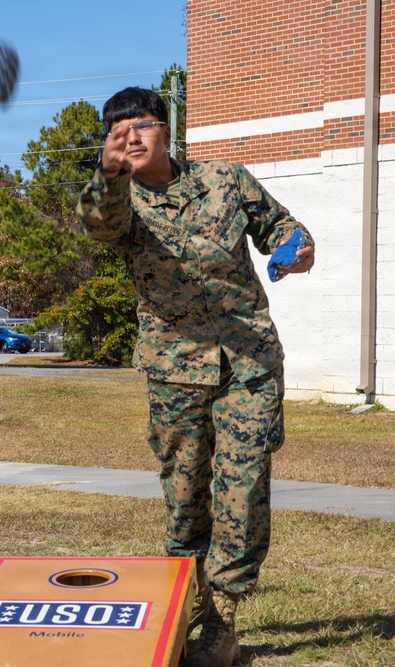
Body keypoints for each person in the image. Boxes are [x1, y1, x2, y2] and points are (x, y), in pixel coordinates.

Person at [76, 87, 314, 667]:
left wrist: (295, 247)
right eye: (118, 132)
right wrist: (107, 175)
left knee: (242, 486)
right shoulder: (119, 198)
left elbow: (284, 227)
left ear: (167, 129)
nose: (130, 138)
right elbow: (99, 226)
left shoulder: (227, 181)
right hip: (175, 368)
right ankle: (190, 599)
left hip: (248, 362)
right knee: (184, 494)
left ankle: (223, 619)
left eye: (141, 127)